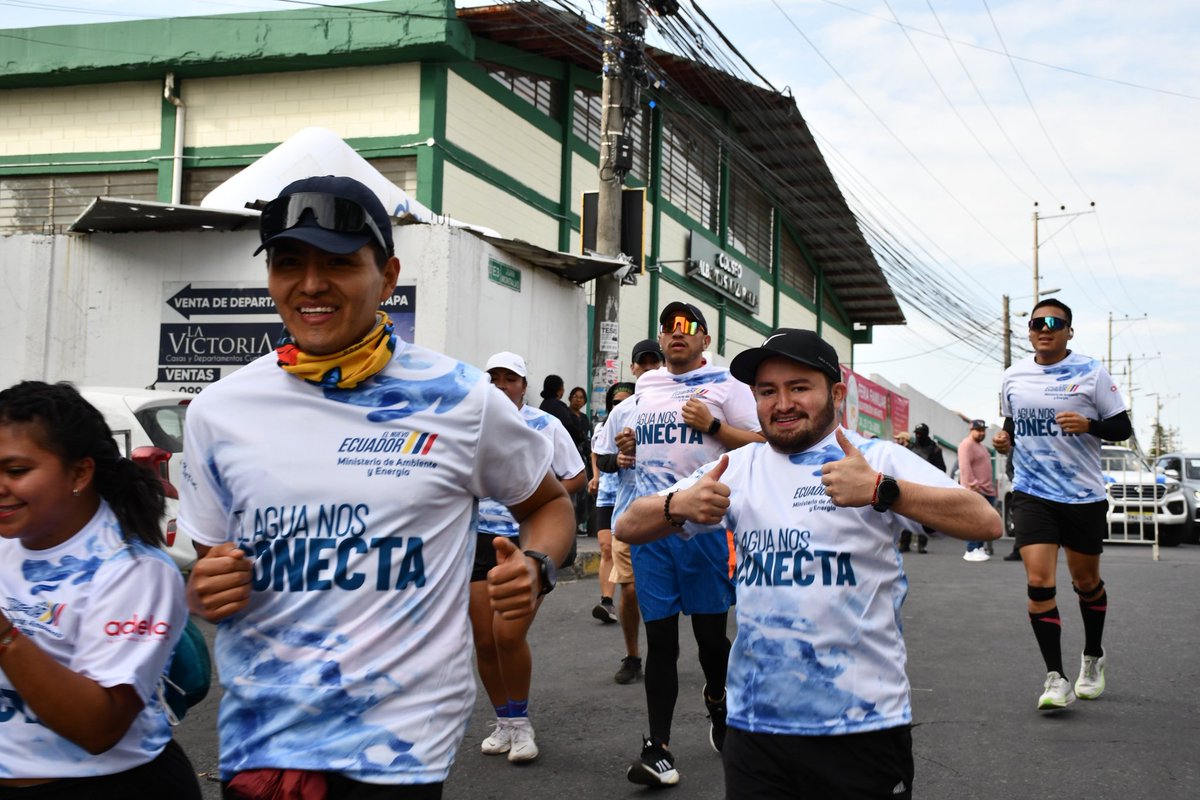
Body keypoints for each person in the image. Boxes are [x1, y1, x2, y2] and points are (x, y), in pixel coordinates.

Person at [179, 175, 574, 797]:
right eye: (290, 263)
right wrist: (207, 587)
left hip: (400, 740)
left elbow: (548, 504)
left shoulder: (462, 399)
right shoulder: (218, 411)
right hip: (266, 737)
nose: (311, 284)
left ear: (386, 276)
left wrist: (536, 564)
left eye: (339, 262)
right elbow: (216, 567)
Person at [615, 328, 1002, 800]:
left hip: (862, 725)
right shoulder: (738, 467)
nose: (782, 404)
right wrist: (678, 504)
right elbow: (629, 525)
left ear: (835, 393)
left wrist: (885, 490)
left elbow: (984, 522)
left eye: (798, 387)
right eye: (767, 391)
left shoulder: (874, 458)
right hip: (756, 730)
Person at [0, 381, 201, 798]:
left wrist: (6, 634)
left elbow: (97, 728)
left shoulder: (133, 569)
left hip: (108, 785)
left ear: (79, 472)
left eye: (16, 471)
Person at [597, 302, 764, 786]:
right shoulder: (641, 394)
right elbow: (607, 458)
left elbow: (760, 444)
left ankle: (718, 699)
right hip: (653, 531)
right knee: (662, 643)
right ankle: (658, 748)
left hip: (708, 532)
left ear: (705, 340)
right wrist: (624, 453)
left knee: (712, 641)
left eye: (687, 328)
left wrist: (714, 427)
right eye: (669, 327)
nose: (676, 334)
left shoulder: (725, 386)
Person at [992, 298, 1131, 710]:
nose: (1044, 328)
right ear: (1029, 330)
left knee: (1086, 583)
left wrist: (1090, 424)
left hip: (1083, 496)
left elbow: (1122, 427)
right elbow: (1011, 426)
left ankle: (1092, 657)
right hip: (1033, 493)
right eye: (1037, 323)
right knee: (1038, 582)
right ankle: (1056, 677)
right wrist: (1004, 440)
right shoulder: (1013, 377)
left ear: (1069, 330)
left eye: (1055, 322)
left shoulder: (1092, 372)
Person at [471, 352, 585, 764]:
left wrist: (543, 496)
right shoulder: (470, 422)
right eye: (495, 377)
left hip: (526, 538)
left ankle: (520, 724)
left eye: (511, 378)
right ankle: (504, 721)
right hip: (478, 537)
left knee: (508, 634)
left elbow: (577, 475)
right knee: (484, 640)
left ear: (524, 385)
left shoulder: (546, 424)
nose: (502, 384)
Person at [899, 423, 946, 554]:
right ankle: (904, 543)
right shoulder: (910, 448)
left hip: (926, 485)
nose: (918, 436)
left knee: (923, 515)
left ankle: (922, 544)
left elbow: (941, 469)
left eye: (920, 434)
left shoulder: (935, 450)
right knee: (906, 514)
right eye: (916, 433)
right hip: (910, 484)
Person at [959, 419, 997, 562]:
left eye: (983, 430)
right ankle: (971, 549)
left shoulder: (981, 447)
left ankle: (979, 547)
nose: (981, 432)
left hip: (987, 490)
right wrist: (972, 485)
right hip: (975, 490)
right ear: (971, 430)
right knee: (974, 521)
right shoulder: (966, 445)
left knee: (984, 522)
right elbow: (965, 466)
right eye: (978, 430)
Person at [567, 386, 594, 535]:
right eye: (575, 396)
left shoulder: (584, 418)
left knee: (583, 494)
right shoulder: (566, 415)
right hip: (570, 457)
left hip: (583, 458)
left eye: (581, 397)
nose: (578, 400)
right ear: (570, 397)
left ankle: (579, 523)